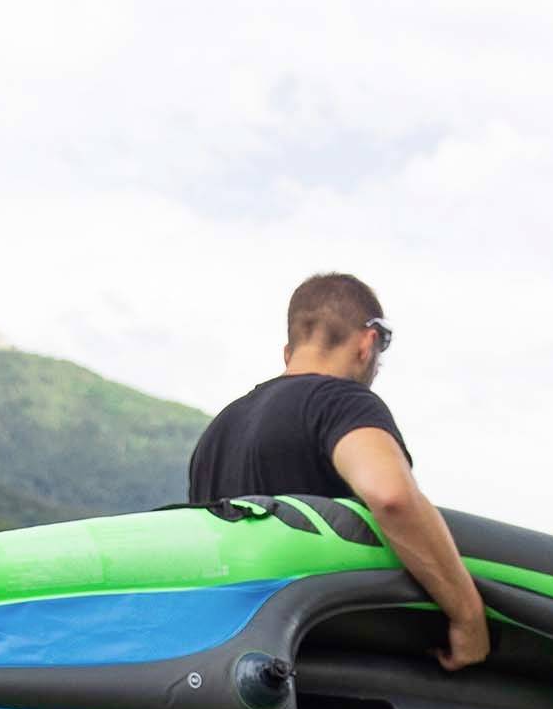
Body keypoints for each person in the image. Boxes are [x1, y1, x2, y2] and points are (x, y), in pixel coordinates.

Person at [187, 272, 491, 670]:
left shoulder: (217, 431)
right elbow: (392, 497)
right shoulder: (341, 402)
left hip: (229, 665)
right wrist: (468, 618)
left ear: (288, 351)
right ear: (368, 343)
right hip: (321, 666)